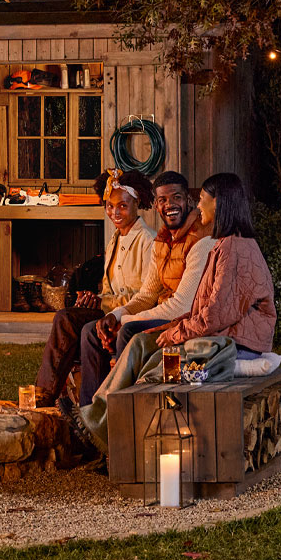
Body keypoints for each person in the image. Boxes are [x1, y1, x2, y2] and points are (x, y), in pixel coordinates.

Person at [74, 172, 276, 448]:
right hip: (222, 332)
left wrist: (174, 332)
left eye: (202, 200)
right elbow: (203, 309)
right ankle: (97, 419)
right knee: (138, 344)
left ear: (218, 204)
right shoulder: (224, 246)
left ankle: (117, 430)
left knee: (151, 358)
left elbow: (213, 316)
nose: (199, 207)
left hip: (239, 340)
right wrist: (170, 328)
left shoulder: (231, 249)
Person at [74, 170, 212, 405]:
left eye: (176, 197)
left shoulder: (200, 239)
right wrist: (114, 316)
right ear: (156, 205)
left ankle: (122, 409)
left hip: (187, 320)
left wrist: (127, 322)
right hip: (162, 314)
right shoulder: (162, 240)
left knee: (128, 332)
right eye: (162, 200)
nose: (169, 205)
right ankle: (90, 412)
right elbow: (147, 295)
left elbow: (182, 305)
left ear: (188, 200)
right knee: (92, 331)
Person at [30, 169, 155, 406]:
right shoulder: (116, 238)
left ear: (136, 203)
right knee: (66, 318)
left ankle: (66, 401)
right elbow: (109, 288)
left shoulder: (147, 241)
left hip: (130, 314)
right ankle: (45, 395)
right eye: (109, 206)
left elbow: (145, 296)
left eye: (122, 206)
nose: (114, 212)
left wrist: (103, 303)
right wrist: (94, 297)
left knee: (80, 325)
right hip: (109, 309)